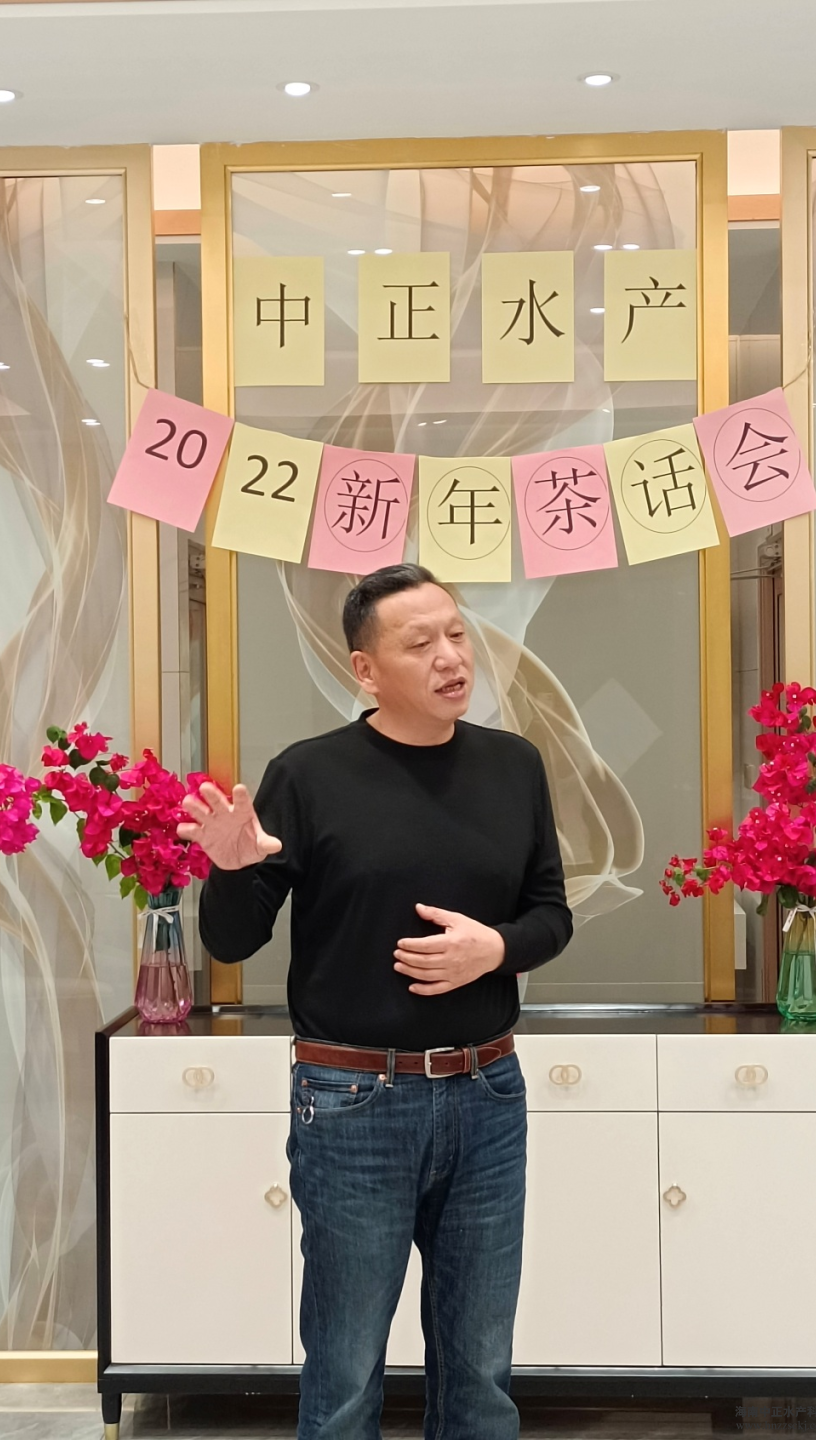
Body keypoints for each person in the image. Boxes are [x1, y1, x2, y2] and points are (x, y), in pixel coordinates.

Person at [178, 562, 573, 1440]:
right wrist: (229, 870)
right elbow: (232, 942)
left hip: (487, 1093)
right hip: (353, 1100)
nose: (451, 657)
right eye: (420, 642)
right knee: (347, 1370)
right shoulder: (309, 775)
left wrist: (495, 949)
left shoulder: (514, 765)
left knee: (480, 1370)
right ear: (365, 669)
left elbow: (551, 913)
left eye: (457, 633)